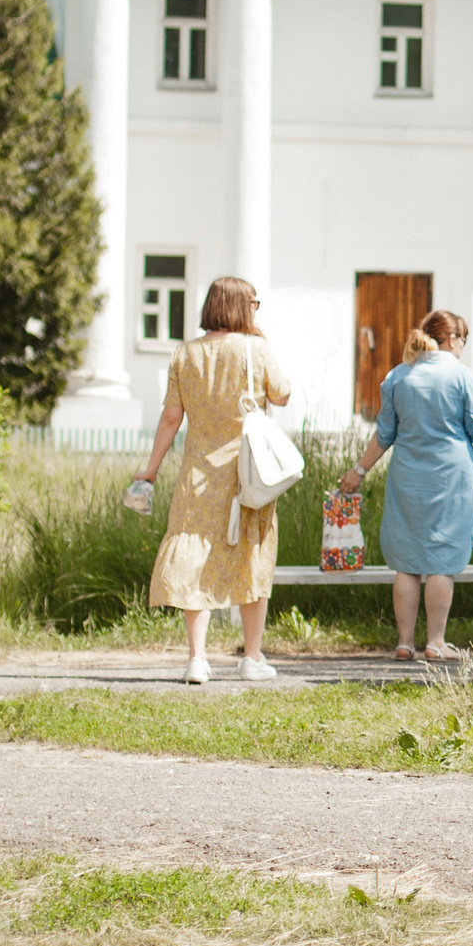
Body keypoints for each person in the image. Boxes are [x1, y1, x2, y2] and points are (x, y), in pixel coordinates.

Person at [337, 309, 473, 663]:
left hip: (407, 478)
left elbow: (384, 435)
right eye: (463, 340)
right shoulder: (461, 376)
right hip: (451, 478)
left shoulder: (397, 377)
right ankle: (436, 642)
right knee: (442, 562)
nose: (463, 348)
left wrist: (358, 471)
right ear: (452, 339)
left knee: (407, 563)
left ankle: (404, 643)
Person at [133, 275, 293, 685]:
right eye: (254, 303)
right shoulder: (255, 348)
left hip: (198, 476)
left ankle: (197, 658)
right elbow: (283, 394)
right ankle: (251, 657)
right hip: (247, 475)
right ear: (243, 307)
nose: (257, 310)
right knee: (251, 557)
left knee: (194, 559)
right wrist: (259, 343)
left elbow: (172, 417)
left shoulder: (184, 354)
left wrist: (149, 471)